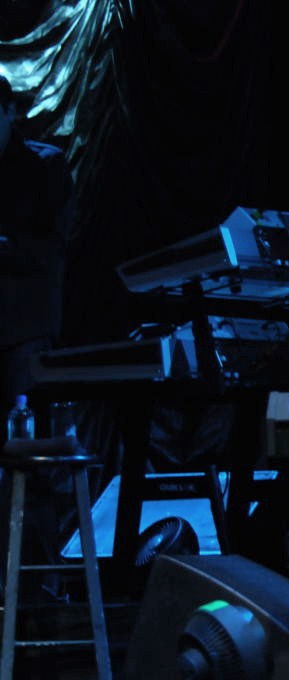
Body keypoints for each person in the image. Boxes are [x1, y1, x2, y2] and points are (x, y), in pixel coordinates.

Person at [0, 72, 76, 602]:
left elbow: (50, 249)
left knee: (31, 460)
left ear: (10, 112)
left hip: (23, 334)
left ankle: (37, 588)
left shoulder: (44, 166)